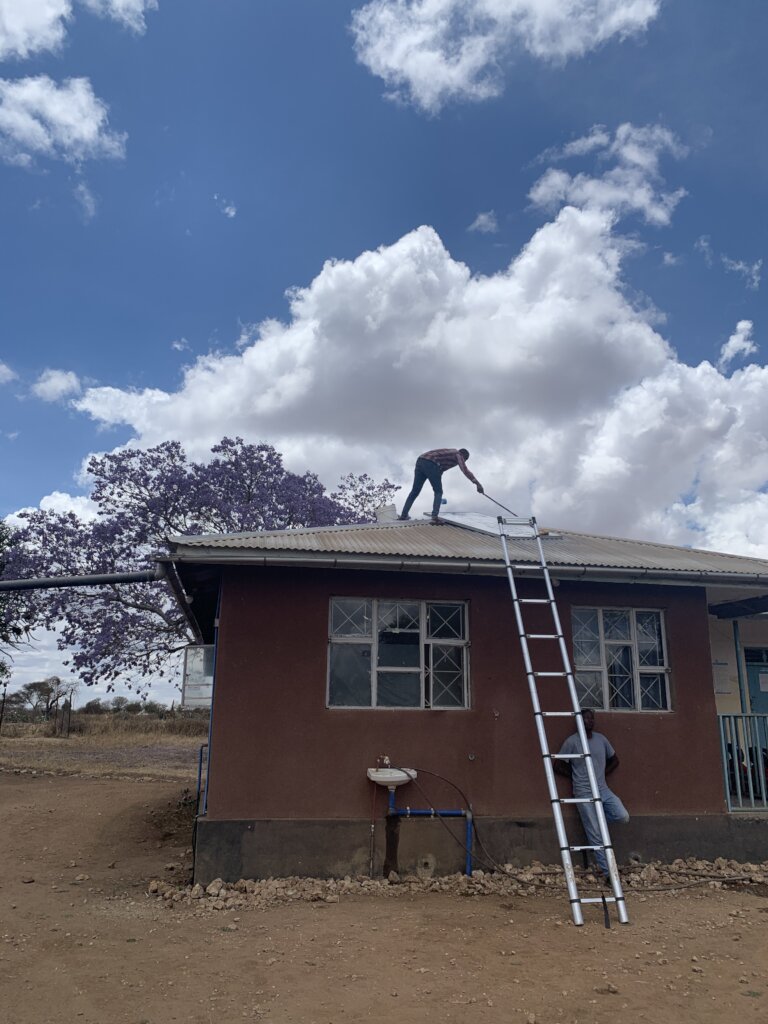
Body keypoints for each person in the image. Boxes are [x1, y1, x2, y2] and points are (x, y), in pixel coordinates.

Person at [554, 709, 629, 881]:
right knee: (595, 833)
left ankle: (597, 824)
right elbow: (557, 765)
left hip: (602, 789)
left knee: (622, 815)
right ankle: (609, 874)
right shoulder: (572, 741)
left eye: (591, 718)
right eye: (586, 718)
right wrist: (576, 776)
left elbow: (615, 760)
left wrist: (601, 774)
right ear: (579, 721)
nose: (589, 721)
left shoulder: (601, 739)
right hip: (583, 792)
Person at [398, 448, 484, 522]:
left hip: (421, 460)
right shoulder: (458, 454)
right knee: (438, 491)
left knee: (415, 491)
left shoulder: (449, 454)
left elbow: (439, 470)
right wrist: (477, 484)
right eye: (465, 460)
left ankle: (404, 515)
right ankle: (434, 517)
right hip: (431, 462)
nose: (463, 461)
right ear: (464, 456)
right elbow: (465, 470)